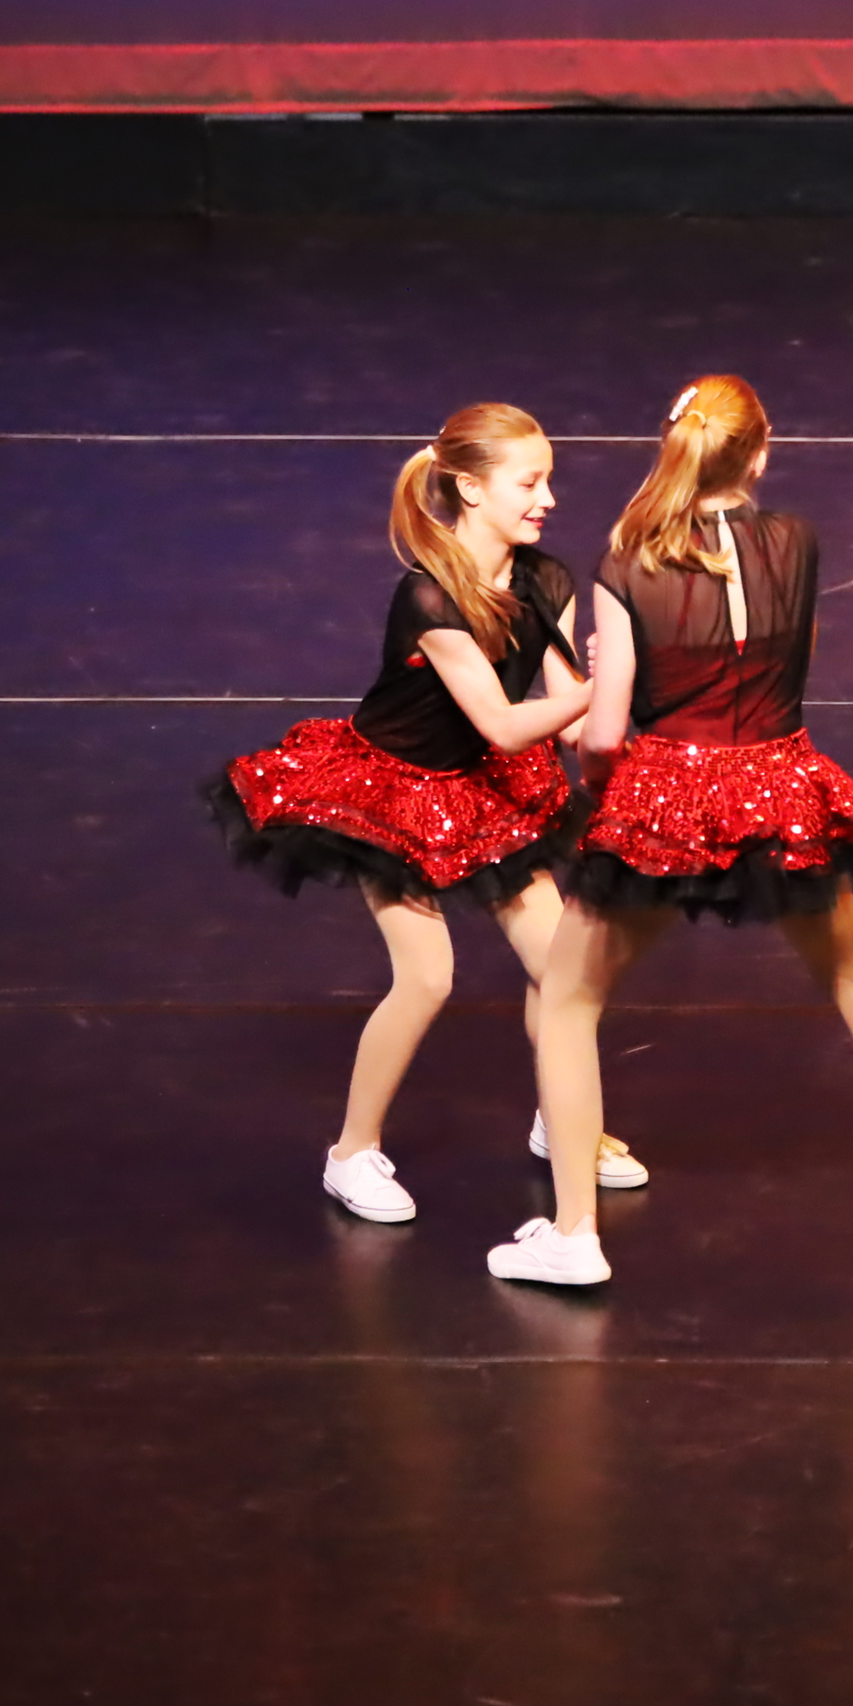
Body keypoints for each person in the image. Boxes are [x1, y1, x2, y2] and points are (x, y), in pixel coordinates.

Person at [489, 376, 853, 1287]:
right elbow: (789, 656)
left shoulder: (629, 561)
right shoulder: (796, 540)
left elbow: (602, 733)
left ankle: (573, 1232)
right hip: (784, 785)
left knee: (569, 999)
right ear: (758, 453)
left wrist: (607, 786)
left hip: (669, 796)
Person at [202, 402, 647, 1223]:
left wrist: (620, 701)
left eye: (548, 480)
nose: (548, 498)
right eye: (529, 482)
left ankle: (564, 1119)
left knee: (564, 970)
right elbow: (503, 721)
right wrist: (611, 679)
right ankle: (351, 1153)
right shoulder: (429, 599)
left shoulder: (546, 580)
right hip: (392, 794)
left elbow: (566, 720)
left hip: (485, 786)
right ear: (472, 490)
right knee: (427, 976)